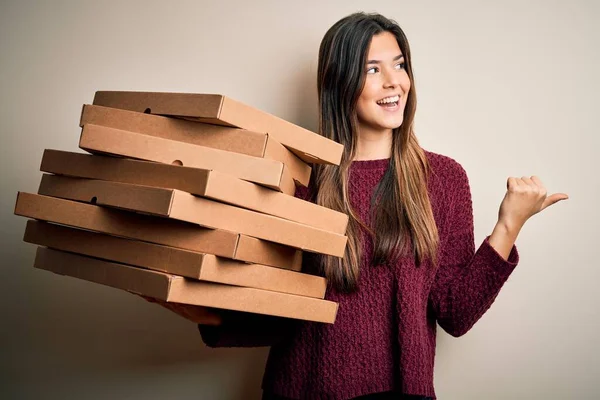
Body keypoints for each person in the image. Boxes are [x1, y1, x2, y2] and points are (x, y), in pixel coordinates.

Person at [142, 11, 569, 400]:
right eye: (372, 69)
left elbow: (455, 313)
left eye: (400, 65)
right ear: (340, 82)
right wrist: (195, 306)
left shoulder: (443, 179)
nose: (394, 81)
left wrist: (509, 225)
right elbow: (282, 317)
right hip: (302, 392)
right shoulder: (298, 180)